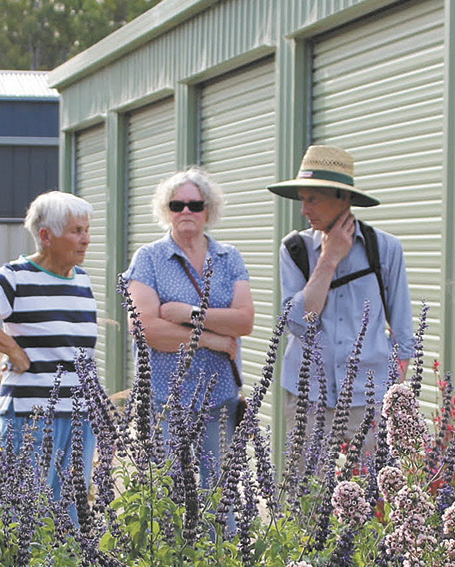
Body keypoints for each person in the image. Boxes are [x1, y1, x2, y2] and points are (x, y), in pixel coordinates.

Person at [0, 191, 99, 504]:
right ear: (46, 236)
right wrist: (11, 349)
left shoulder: (82, 280)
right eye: (76, 231)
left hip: (79, 415)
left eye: (86, 230)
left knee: (72, 515)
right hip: (32, 417)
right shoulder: (16, 278)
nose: (85, 239)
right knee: (28, 511)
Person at [267, 144, 414, 467]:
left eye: (312, 199)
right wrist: (329, 259)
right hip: (309, 397)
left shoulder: (385, 249)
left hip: (370, 398)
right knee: (305, 501)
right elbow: (297, 322)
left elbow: (404, 336)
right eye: (302, 198)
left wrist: (391, 395)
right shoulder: (295, 249)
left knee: (373, 500)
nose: (304, 209)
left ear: (342, 198)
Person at [124, 166, 255, 484]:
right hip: (166, 398)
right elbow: (145, 329)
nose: (186, 211)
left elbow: (244, 320)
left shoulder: (229, 258)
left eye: (195, 205)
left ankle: (220, 538)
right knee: (166, 492)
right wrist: (213, 340)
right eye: (176, 205)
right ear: (165, 211)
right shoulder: (149, 258)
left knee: (220, 492)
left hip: (220, 394)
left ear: (208, 211)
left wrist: (187, 313)